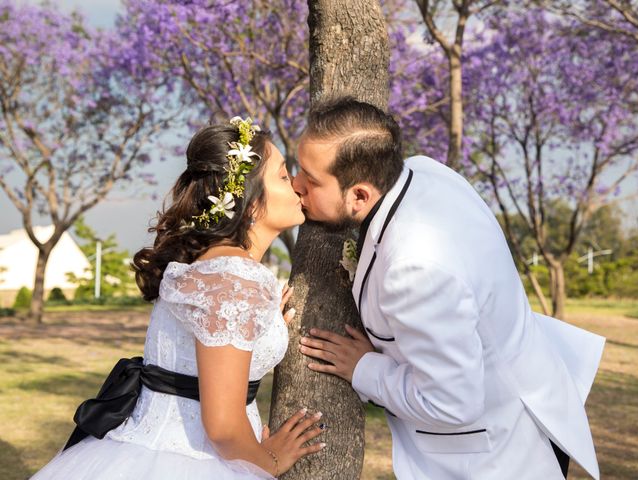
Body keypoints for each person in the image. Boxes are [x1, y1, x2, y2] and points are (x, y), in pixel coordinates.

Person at [292, 97, 605, 480]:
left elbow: (453, 402)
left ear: (360, 195)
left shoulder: (413, 267)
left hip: (501, 458)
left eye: (311, 178)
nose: (295, 185)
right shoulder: (424, 172)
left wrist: (365, 368)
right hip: (527, 400)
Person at [32, 118, 325, 479]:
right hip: (196, 462)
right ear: (249, 204)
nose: (297, 184)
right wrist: (273, 462)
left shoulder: (207, 265)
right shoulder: (234, 279)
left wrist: (263, 323)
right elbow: (222, 428)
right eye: (283, 176)